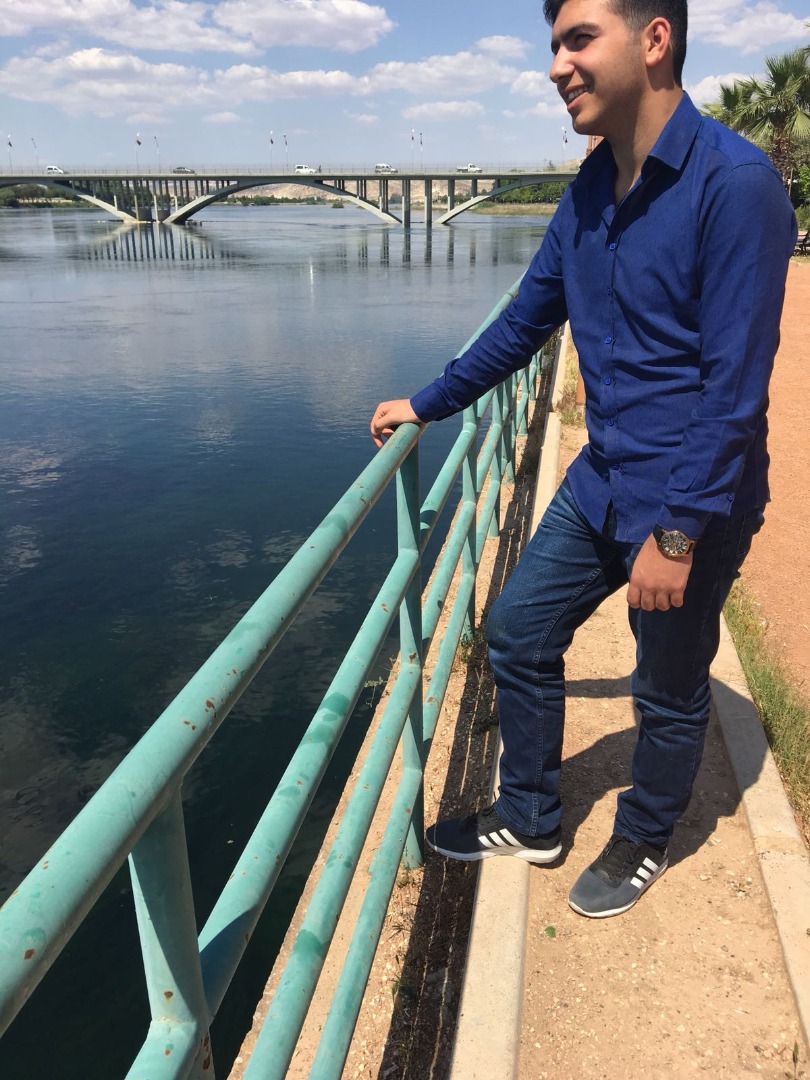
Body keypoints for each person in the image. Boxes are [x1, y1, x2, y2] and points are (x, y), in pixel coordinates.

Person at [369, 0, 797, 918]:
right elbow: (524, 322)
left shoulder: (737, 185)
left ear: (655, 39)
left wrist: (677, 536)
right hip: (603, 476)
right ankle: (530, 817)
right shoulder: (591, 187)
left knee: (665, 688)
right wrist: (430, 402)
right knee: (518, 629)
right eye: (554, 44)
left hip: (691, 497)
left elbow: (734, 391)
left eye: (578, 39)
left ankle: (644, 833)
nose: (557, 65)